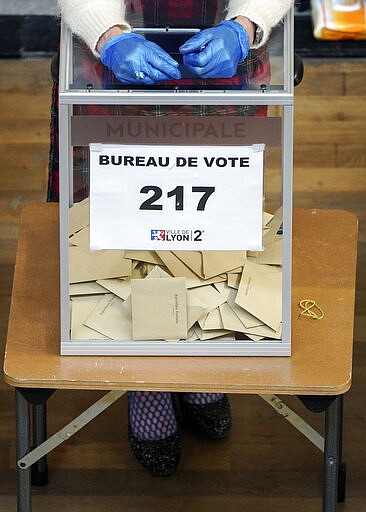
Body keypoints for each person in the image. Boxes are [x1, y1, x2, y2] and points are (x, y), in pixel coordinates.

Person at [50, 0, 293, 477]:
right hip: (108, 64)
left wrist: (247, 25)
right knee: (117, 229)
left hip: (229, 61)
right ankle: (148, 384)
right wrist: (108, 35)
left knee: (214, 226)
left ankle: (206, 352)